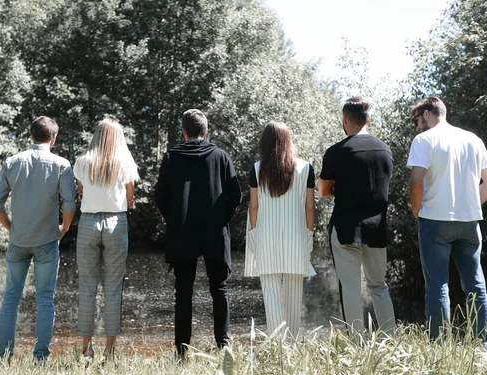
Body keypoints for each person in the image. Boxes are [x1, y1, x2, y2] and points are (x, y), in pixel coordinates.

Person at [407, 96, 487, 343]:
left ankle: (438, 346)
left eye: (417, 120)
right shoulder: (472, 139)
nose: (417, 126)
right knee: (475, 285)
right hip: (469, 222)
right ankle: (484, 345)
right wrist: (468, 205)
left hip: (434, 220)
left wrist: (416, 210)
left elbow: (416, 183)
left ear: (427, 114)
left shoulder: (424, 140)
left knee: (438, 286)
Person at [154, 109, 241, 360]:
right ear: (205, 131)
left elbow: (160, 196)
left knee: (183, 292)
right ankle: (224, 348)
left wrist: (175, 220)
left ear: (184, 132)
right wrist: (220, 220)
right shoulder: (221, 156)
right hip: (214, 231)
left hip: (183, 232)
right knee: (220, 289)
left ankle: (181, 352)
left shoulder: (172, 157)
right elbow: (235, 195)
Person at [0, 116, 76, 363]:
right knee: (45, 298)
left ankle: (3, 358)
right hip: (48, 240)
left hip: (19, 239)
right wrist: (64, 228)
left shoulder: (12, 162)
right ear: (54, 138)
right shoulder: (62, 164)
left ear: (31, 136)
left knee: (10, 298)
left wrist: (10, 228)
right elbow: (69, 204)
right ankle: (40, 358)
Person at [319, 97, 396, 337]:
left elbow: (323, 191)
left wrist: (341, 191)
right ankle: (389, 338)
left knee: (350, 288)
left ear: (345, 120)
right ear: (368, 119)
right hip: (376, 228)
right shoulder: (385, 150)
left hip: (345, 228)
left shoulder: (336, 152)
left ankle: (357, 343)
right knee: (379, 286)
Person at [73, 118, 139, 359]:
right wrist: (127, 203)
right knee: (113, 288)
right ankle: (109, 349)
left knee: (87, 287)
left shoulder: (83, 161)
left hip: (89, 222)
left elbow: (80, 190)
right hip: (116, 222)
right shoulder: (125, 161)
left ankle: (86, 348)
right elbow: (130, 193)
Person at [244, 121, 316, 340]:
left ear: (264, 143)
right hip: (297, 235)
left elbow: (254, 206)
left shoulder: (257, 170)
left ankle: (278, 345)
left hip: (265, 236)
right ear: (288, 140)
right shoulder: (305, 168)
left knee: (272, 294)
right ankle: (292, 343)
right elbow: (310, 206)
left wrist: (254, 234)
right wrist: (309, 234)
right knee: (294, 294)